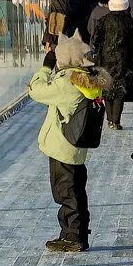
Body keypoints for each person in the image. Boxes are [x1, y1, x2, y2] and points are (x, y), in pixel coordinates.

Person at [27, 34, 110, 252]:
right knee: (75, 188)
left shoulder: (67, 82)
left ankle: (74, 236)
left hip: (62, 145)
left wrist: (45, 68)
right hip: (75, 146)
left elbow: (35, 91)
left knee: (66, 191)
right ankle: (74, 232)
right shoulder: (86, 79)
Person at [92, 0, 133, 130]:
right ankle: (116, 121)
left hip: (105, 58)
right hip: (123, 59)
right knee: (120, 89)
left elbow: (95, 40)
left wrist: (98, 55)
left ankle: (109, 118)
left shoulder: (103, 20)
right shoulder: (130, 21)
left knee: (107, 87)